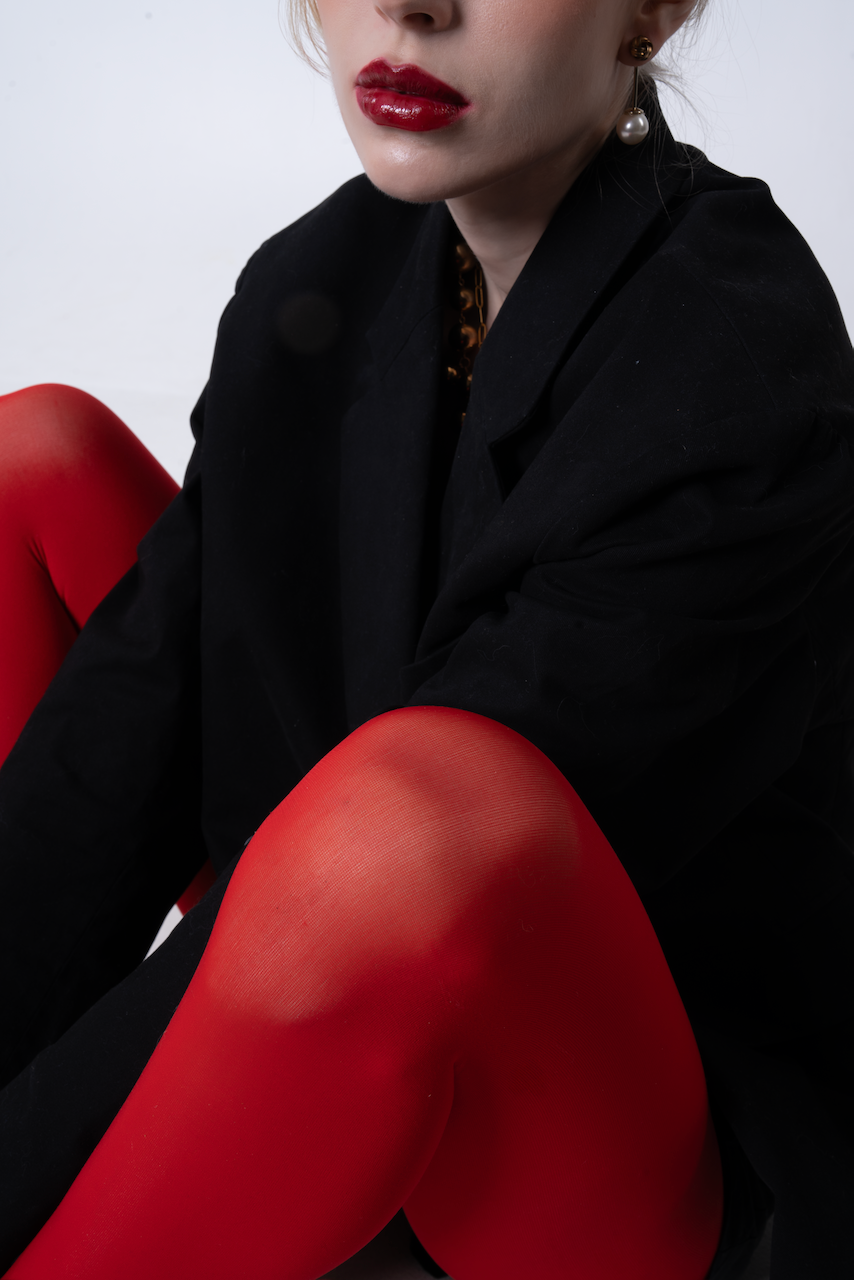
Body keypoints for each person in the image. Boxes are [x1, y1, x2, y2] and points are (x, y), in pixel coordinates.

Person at [1, 0, 853, 1275]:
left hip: (643, 1143)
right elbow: (128, 721)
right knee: (33, 462)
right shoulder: (321, 273)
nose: (412, 6)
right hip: (350, 899)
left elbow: (420, 848)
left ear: (650, 8)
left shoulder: (735, 350)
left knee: (417, 806)